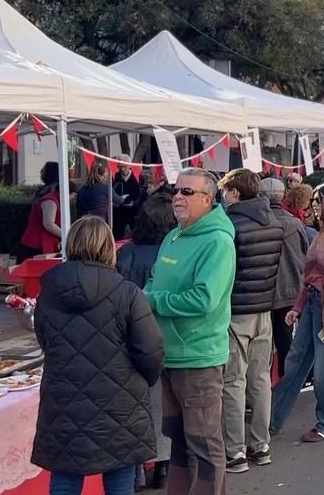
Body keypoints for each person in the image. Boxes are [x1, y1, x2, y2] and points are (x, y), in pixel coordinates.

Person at [32, 216, 164, 495]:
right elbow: (151, 349)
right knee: (119, 479)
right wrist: (143, 380)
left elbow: (45, 342)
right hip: (121, 401)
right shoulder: (127, 292)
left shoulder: (48, 293)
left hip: (63, 399)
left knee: (65, 478)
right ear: (108, 248)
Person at [144, 168, 235, 495]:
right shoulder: (175, 235)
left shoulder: (218, 242)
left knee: (204, 446)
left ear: (208, 200)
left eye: (187, 192)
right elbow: (154, 279)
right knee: (179, 441)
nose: (178, 197)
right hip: (169, 357)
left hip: (198, 360)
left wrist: (153, 300)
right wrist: (150, 294)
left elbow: (204, 299)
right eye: (176, 190)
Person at [269, 183, 324, 442]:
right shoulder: (322, 233)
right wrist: (298, 307)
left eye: (319, 200)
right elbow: (311, 277)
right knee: (295, 362)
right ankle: (271, 417)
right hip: (313, 305)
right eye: (313, 199)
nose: (314, 204)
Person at [217, 168, 283, 474]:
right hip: (263, 311)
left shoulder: (231, 226)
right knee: (260, 381)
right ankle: (262, 445)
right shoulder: (273, 221)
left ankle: (236, 452)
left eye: (224, 190)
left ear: (234, 192)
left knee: (234, 382)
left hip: (237, 311)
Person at [116, 195, 178, 488]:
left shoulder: (125, 254)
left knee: (133, 404)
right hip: (165, 332)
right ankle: (164, 466)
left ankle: (137, 468)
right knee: (164, 400)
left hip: (128, 335)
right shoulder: (173, 253)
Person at [263, 178, 309, 379]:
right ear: (282, 196)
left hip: (261, 288)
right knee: (284, 337)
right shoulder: (295, 223)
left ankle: (261, 385)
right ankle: (286, 378)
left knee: (262, 340)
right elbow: (305, 252)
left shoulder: (258, 222)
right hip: (290, 286)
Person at [19, 161, 62, 261]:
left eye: (43, 170)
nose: (40, 172)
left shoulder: (45, 191)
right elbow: (49, 224)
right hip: (39, 242)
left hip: (38, 241)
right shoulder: (50, 194)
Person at [112, 156, 142, 239]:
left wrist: (134, 203)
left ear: (129, 165)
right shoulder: (114, 178)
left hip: (133, 210)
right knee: (117, 234)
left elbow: (141, 195)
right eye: (119, 166)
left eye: (124, 166)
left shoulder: (137, 177)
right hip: (119, 210)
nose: (122, 169)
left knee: (136, 232)